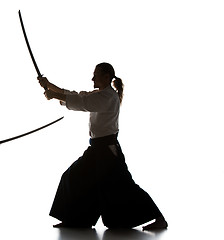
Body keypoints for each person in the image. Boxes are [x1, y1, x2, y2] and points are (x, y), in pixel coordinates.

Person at [37, 62, 168, 231]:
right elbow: (75, 95)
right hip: (96, 150)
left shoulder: (108, 97)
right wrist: (49, 85)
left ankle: (159, 218)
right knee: (72, 177)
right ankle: (75, 219)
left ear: (106, 77)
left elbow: (82, 102)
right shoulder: (100, 94)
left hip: (107, 151)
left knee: (125, 185)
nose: (92, 78)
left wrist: (54, 95)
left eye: (96, 75)